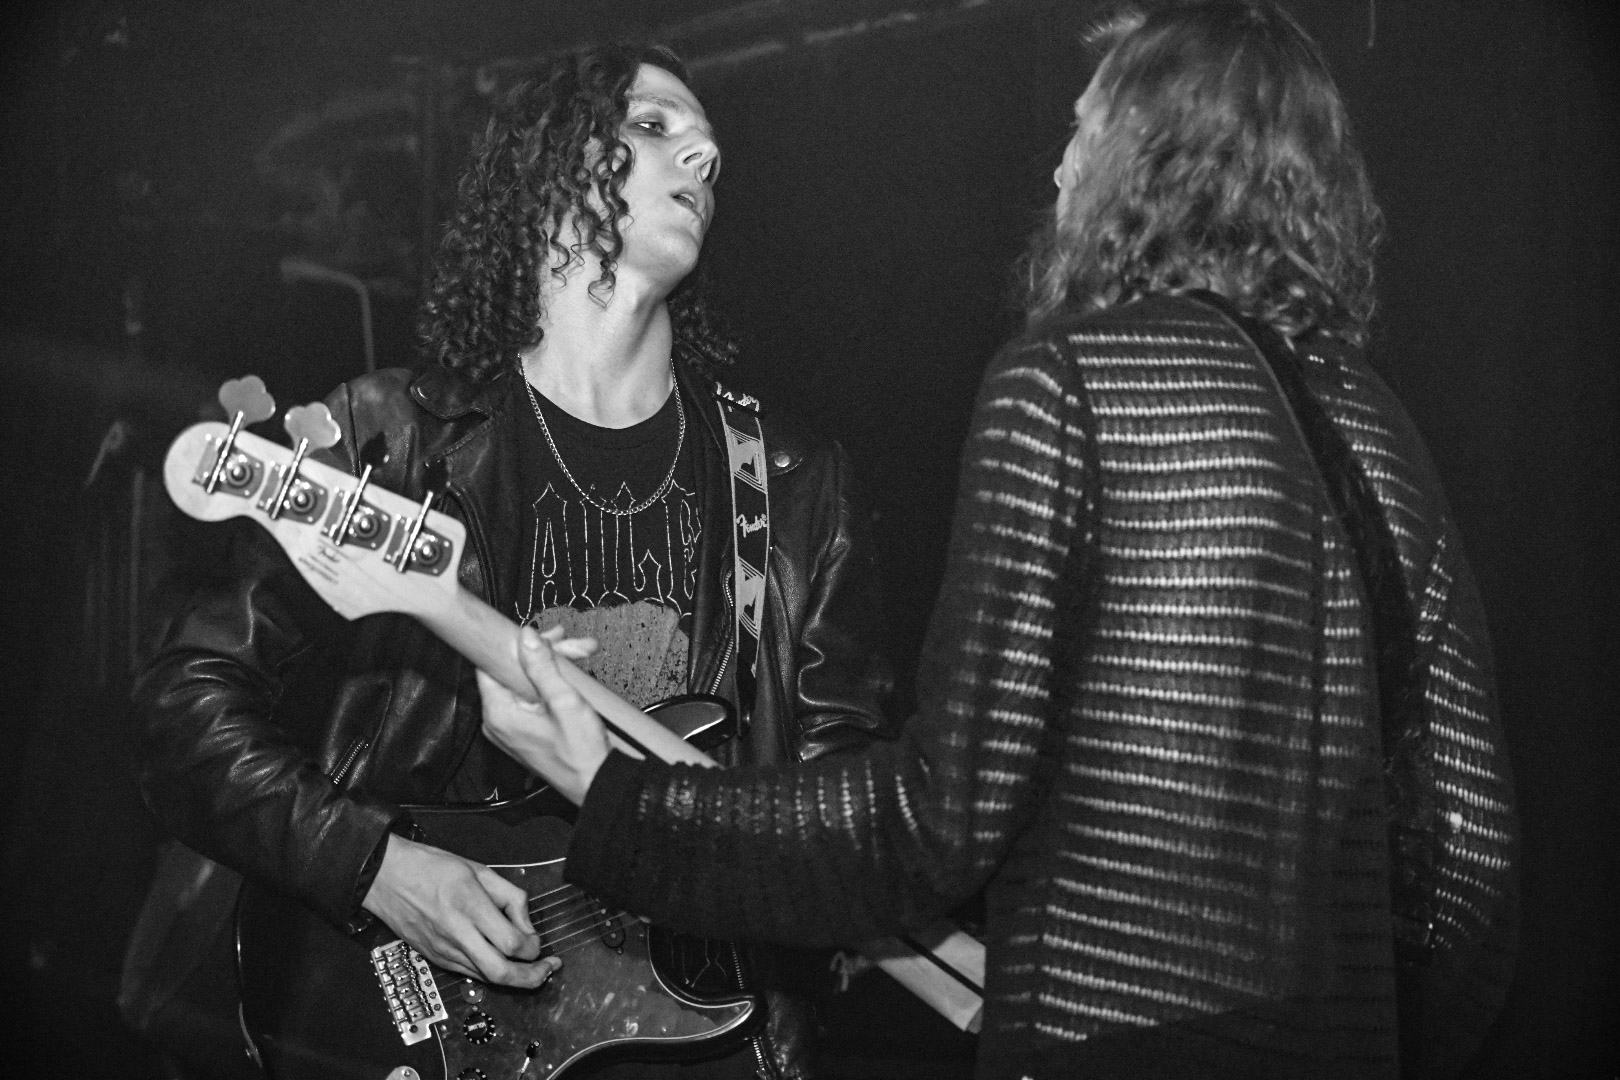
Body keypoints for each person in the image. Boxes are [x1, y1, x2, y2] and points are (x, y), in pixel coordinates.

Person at [481, 5, 1520, 1079]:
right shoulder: (1379, 428)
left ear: (1146, 157)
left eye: (1084, 130)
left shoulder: (1069, 385)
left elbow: (937, 823)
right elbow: (1472, 869)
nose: (1061, 171)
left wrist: (618, 802)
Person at [135, 43, 896, 1080]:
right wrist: (374, 866)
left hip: (719, 1036)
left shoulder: (799, 484)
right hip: (429, 1027)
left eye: (709, 146)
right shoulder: (394, 439)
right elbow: (184, 699)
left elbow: (851, 817)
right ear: (545, 174)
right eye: (654, 125)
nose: (704, 154)